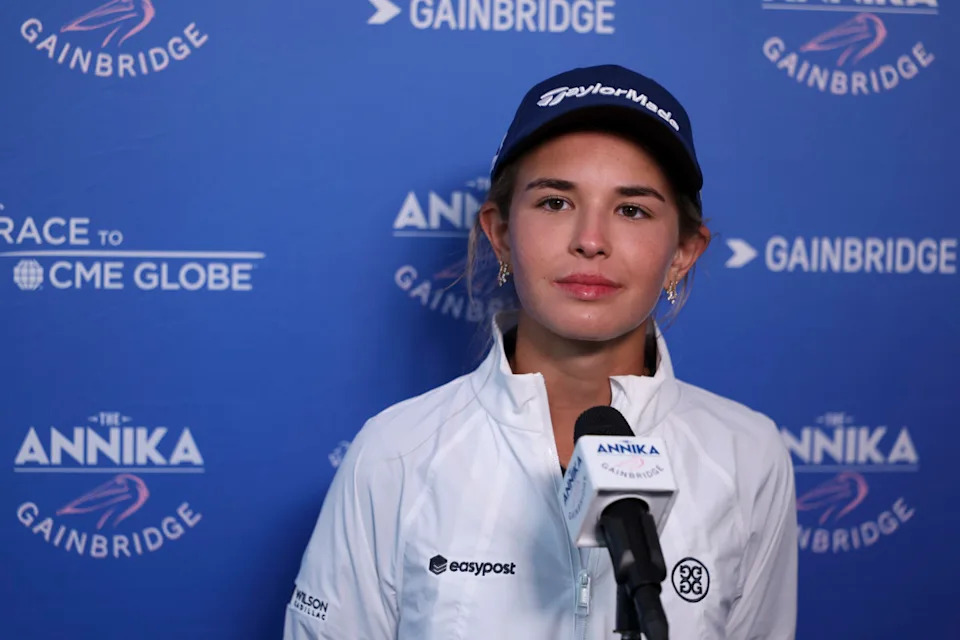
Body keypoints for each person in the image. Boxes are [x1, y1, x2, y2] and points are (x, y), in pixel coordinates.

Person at [283, 64, 798, 639]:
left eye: (632, 209)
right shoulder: (395, 453)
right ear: (501, 234)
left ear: (682, 252)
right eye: (555, 202)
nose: (591, 240)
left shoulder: (747, 456)